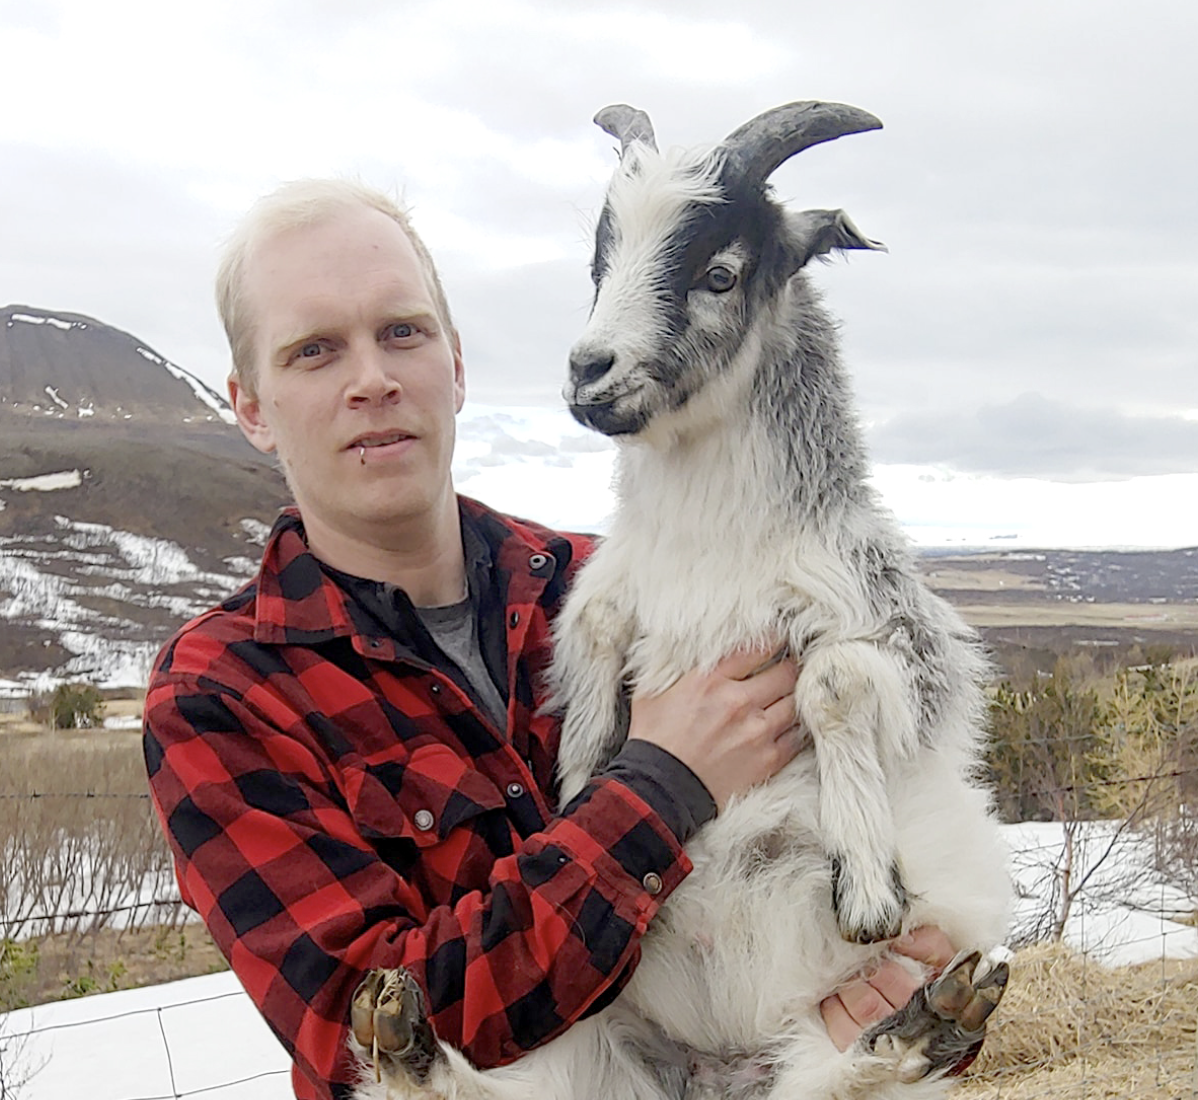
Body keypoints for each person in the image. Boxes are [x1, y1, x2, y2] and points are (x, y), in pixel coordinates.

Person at [143, 179, 955, 1100]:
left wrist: (890, 996)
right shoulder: (222, 695)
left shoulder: (612, 588)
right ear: (252, 406)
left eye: (402, 332)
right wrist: (661, 784)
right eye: (315, 350)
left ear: (455, 365)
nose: (372, 379)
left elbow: (868, 844)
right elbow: (368, 1032)